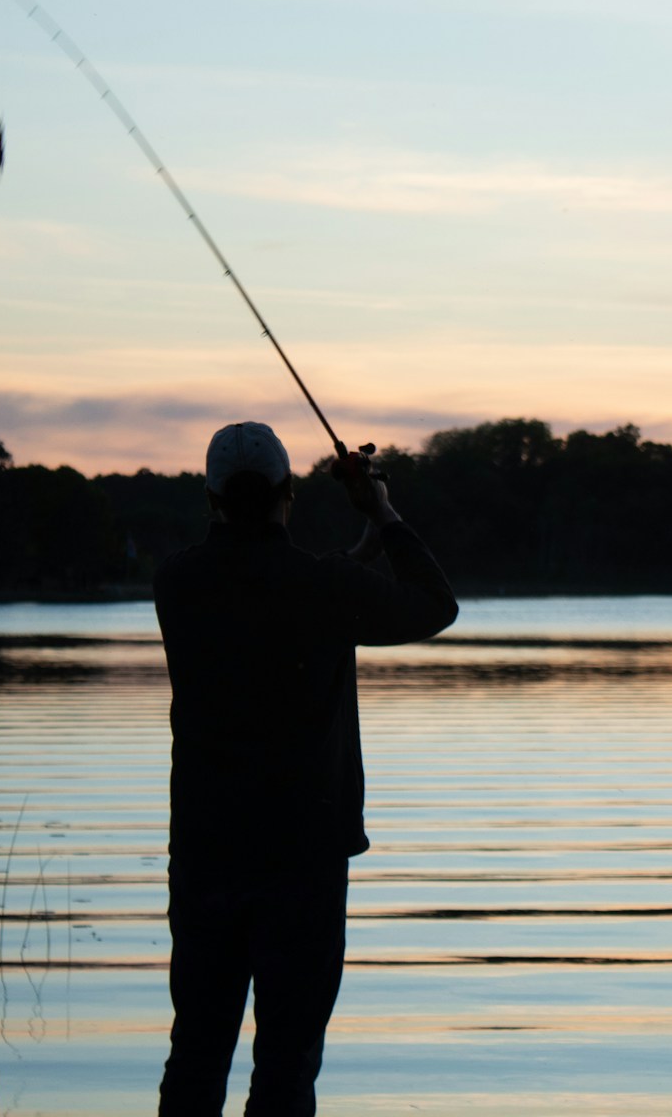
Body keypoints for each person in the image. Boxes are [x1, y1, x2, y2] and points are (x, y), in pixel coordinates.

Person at [153, 421, 457, 1117]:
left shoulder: (176, 582)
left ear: (211, 499)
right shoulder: (324, 589)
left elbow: (271, 597)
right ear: (289, 493)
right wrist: (379, 510)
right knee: (286, 1064)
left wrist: (355, 557)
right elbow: (435, 604)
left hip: (206, 855)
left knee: (197, 1052)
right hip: (303, 860)